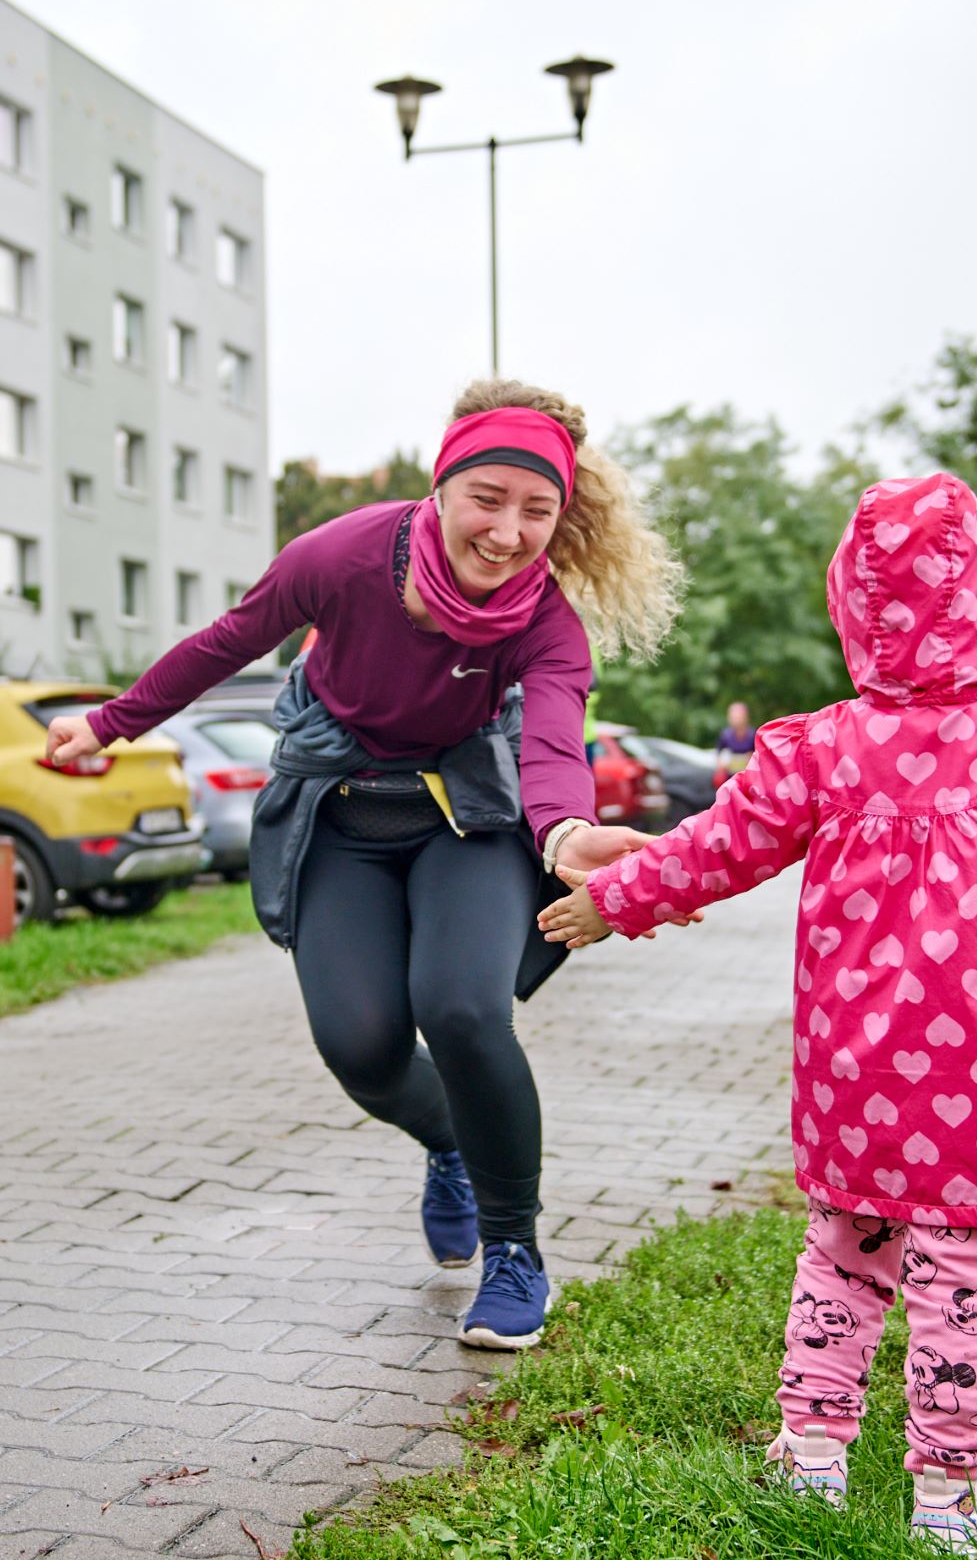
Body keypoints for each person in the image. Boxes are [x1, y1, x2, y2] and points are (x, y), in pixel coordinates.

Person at [540, 473, 977, 1554]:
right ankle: (948, 1491)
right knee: (966, 1270)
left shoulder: (824, 750)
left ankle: (810, 1455)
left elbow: (720, 845)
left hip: (858, 1072)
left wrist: (618, 896)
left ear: (855, 603)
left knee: (845, 1249)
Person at [44, 380, 682, 1349]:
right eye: (488, 497)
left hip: (464, 822)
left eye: (536, 509)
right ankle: (448, 1143)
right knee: (363, 1048)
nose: (507, 531)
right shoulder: (339, 558)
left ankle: (514, 1251)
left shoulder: (547, 623)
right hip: (340, 817)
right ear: (441, 486)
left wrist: (563, 835)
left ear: (561, 515)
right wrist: (104, 723)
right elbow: (228, 641)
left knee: (463, 1009)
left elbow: (552, 745)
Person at [713, 701, 757, 780]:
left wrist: (752, 758)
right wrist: (721, 765)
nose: (735, 720)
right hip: (730, 777)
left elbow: (759, 756)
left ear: (746, 717)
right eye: (733, 716)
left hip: (749, 776)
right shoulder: (725, 735)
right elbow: (718, 754)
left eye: (738, 716)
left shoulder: (753, 734)